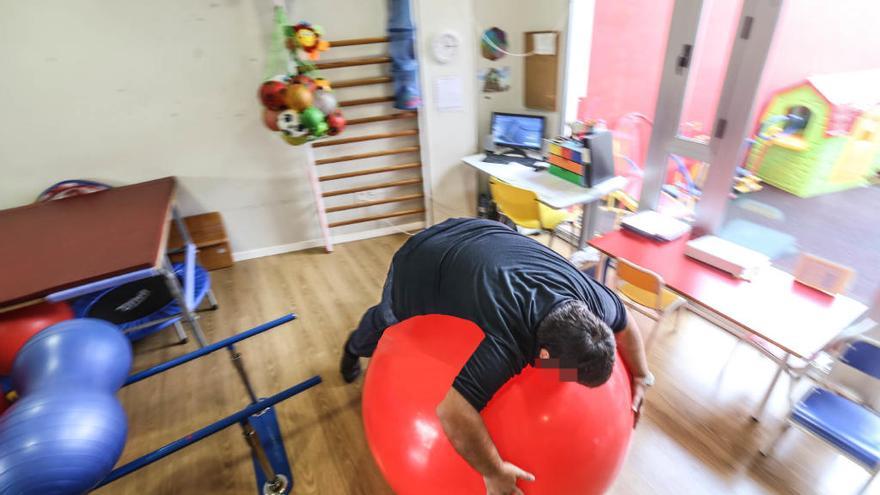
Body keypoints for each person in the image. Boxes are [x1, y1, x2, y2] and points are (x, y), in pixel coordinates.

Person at [340, 218, 653, 495]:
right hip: (422, 258)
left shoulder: (594, 301)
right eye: (566, 376)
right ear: (544, 354)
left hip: (484, 234)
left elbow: (626, 324)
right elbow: (452, 413)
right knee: (386, 320)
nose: (566, 384)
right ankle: (354, 348)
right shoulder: (512, 336)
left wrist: (640, 374)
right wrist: (494, 473)